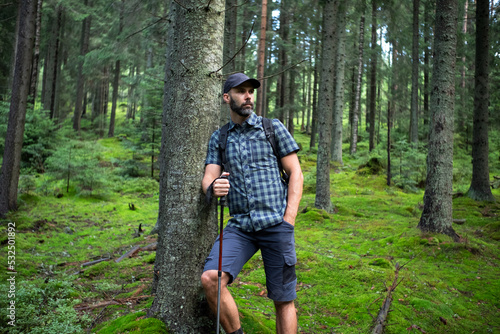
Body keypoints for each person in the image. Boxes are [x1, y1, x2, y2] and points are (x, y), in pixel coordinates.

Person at [201, 73, 303, 334]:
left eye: (251, 91)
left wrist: (288, 220)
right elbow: (208, 179)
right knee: (211, 279)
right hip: (241, 226)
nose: (248, 96)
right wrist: (214, 188)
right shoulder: (220, 138)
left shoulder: (273, 128)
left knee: (283, 299)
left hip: (276, 223)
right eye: (241, 91)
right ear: (227, 98)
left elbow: (296, 173)